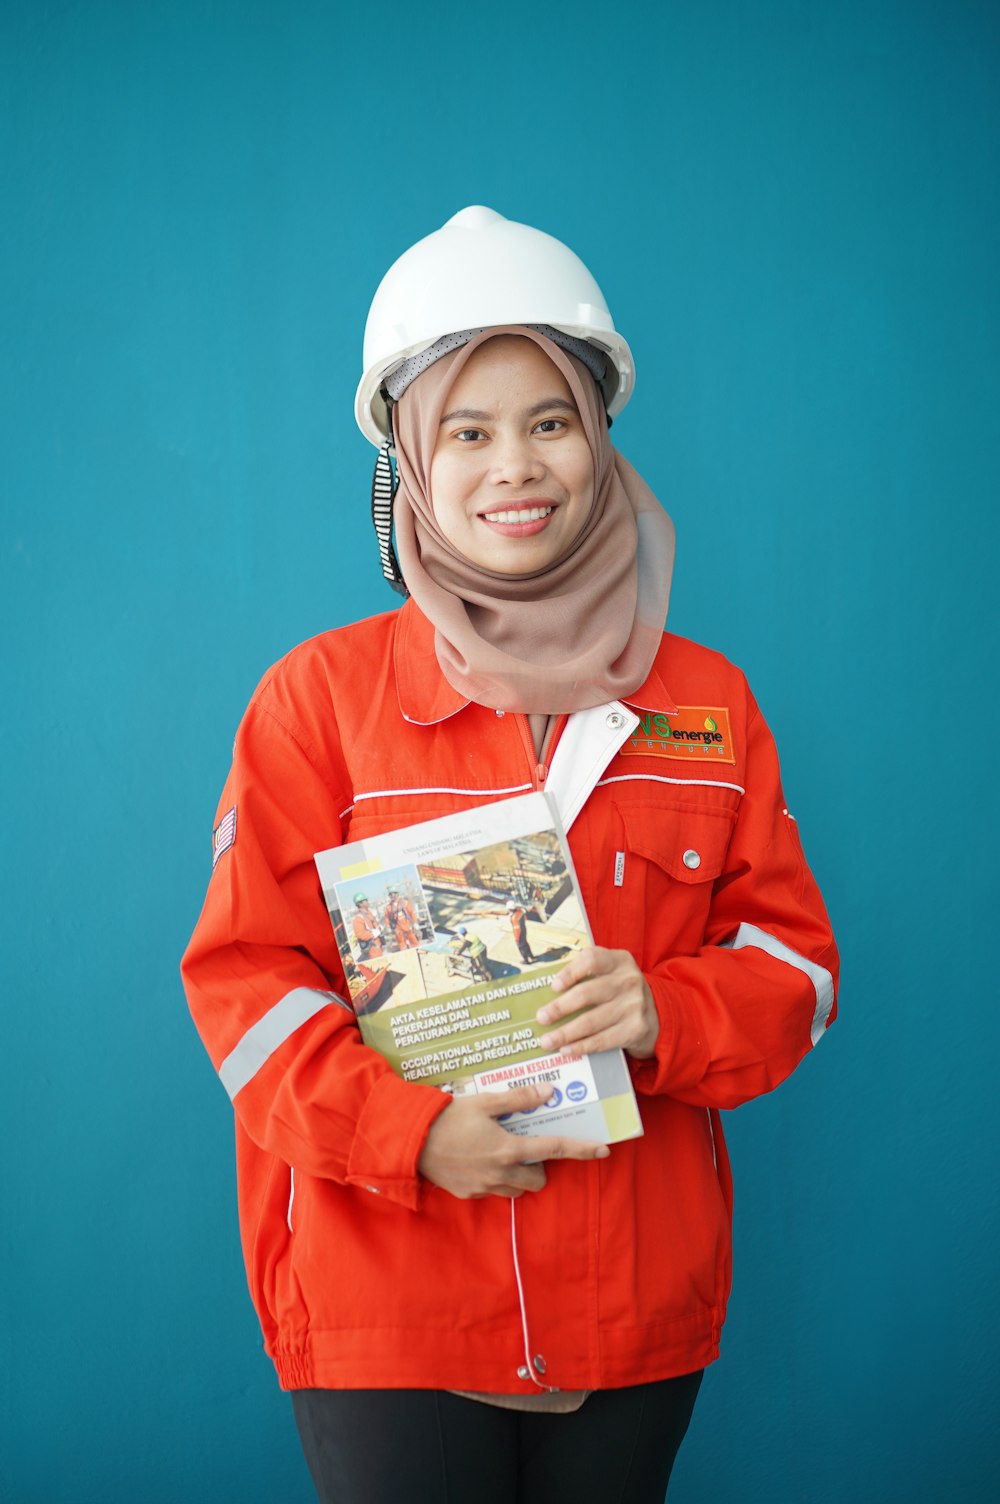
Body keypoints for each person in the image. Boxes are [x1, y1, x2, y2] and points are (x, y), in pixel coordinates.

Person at [182, 206, 839, 1502]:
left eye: (548, 422)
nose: (513, 468)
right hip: (391, 1297)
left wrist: (670, 1007)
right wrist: (414, 1133)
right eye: (466, 433)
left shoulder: (706, 704)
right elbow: (248, 990)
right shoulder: (314, 701)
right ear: (411, 467)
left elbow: (798, 971)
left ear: (598, 441)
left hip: (635, 1305)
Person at [349, 892, 382, 961]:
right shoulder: (358, 918)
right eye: (366, 900)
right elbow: (360, 934)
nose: (368, 901)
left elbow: (374, 924)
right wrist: (373, 934)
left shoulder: (369, 913)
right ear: (360, 904)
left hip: (378, 944)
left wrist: (379, 927)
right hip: (372, 948)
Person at [506, 899, 535, 966]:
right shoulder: (520, 911)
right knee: (525, 944)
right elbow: (525, 918)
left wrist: (517, 938)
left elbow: (517, 929)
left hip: (519, 933)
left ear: (510, 909)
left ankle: (526, 960)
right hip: (524, 930)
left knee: (521, 947)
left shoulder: (514, 918)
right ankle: (531, 956)